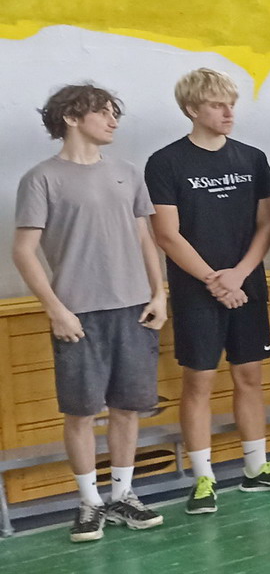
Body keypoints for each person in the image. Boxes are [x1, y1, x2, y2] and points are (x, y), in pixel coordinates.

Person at [147, 68, 270, 515]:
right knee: (199, 381)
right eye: (217, 105)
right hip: (197, 291)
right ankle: (203, 478)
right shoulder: (166, 162)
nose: (228, 112)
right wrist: (214, 281)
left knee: (250, 376)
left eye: (231, 104)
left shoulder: (252, 158)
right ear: (192, 109)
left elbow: (267, 224)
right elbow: (167, 234)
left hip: (246, 285)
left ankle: (256, 467)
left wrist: (238, 274)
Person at [13, 84, 167, 542]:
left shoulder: (127, 173)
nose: (113, 120)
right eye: (103, 112)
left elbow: (144, 238)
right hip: (78, 314)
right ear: (72, 118)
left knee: (128, 408)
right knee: (81, 412)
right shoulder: (41, 178)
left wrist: (158, 294)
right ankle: (89, 503)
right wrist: (56, 310)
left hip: (134, 309)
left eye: (114, 112)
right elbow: (23, 251)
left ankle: (122, 495)